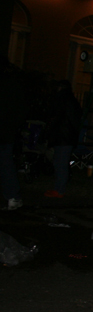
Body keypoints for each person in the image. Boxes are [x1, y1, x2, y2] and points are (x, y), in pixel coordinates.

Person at [44, 80, 82, 198]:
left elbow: (55, 117)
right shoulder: (72, 100)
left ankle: (59, 190)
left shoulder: (62, 99)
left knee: (60, 163)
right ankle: (58, 188)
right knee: (60, 162)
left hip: (63, 136)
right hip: (67, 136)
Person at [0, 56, 26, 211]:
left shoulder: (10, 84)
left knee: (5, 163)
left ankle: (13, 197)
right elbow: (21, 110)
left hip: (5, 130)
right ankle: (13, 197)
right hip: (6, 132)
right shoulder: (13, 84)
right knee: (5, 163)